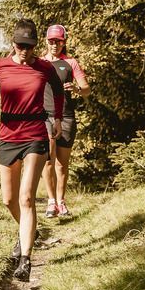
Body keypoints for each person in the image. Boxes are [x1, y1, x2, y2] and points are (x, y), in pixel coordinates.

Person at [0, 19, 64, 281]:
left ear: (36, 45)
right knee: (8, 200)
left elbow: (58, 90)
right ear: (13, 44)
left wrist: (56, 118)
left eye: (30, 46)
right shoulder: (0, 67)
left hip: (36, 134)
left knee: (26, 198)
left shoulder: (44, 68)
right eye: (21, 45)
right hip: (8, 136)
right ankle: (28, 230)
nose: (25, 50)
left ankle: (25, 259)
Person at [41, 24, 90, 219]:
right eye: (51, 41)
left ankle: (61, 202)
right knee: (48, 161)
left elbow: (87, 89)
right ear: (46, 41)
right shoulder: (39, 62)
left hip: (67, 116)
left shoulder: (71, 62)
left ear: (64, 42)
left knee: (62, 163)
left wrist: (77, 89)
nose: (55, 45)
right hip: (45, 116)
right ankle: (51, 202)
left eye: (58, 41)